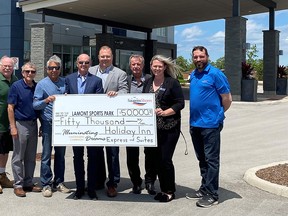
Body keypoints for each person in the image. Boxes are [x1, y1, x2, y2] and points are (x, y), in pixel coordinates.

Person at [186, 46, 232, 208]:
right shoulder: (194, 74)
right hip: (195, 124)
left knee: (212, 160)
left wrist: (218, 115)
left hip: (210, 125)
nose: (198, 59)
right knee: (202, 159)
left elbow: (227, 98)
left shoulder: (216, 74)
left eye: (201, 56)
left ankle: (212, 194)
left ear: (207, 56)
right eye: (195, 57)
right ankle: (204, 188)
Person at [142, 55, 185, 202]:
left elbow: (180, 103)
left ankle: (169, 191)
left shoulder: (172, 83)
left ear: (165, 67)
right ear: (151, 66)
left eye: (160, 66)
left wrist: (166, 112)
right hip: (152, 129)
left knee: (165, 160)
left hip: (169, 127)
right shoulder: (148, 82)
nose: (157, 68)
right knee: (155, 159)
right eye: (155, 66)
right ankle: (162, 188)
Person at [89, 45, 128, 197]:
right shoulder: (91, 71)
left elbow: (125, 91)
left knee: (112, 152)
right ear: (98, 57)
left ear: (112, 57)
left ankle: (113, 183)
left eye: (108, 56)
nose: (105, 59)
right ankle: (98, 181)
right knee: (95, 152)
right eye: (102, 56)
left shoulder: (120, 74)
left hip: (112, 120)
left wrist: (117, 93)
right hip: (94, 119)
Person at [65, 53, 103, 200]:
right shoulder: (69, 79)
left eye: (86, 63)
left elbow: (99, 102)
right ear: (76, 63)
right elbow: (65, 96)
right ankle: (80, 188)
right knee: (78, 157)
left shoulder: (97, 81)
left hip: (91, 126)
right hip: (76, 127)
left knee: (93, 157)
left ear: (90, 64)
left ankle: (91, 188)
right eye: (81, 62)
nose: (83, 65)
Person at [33, 55, 71, 197]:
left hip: (62, 124)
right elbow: (35, 104)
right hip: (48, 123)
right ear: (47, 69)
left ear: (60, 69)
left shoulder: (64, 82)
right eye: (51, 68)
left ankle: (59, 182)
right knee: (46, 155)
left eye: (56, 68)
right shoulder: (42, 84)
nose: (53, 70)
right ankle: (46, 184)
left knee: (60, 155)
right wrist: (46, 100)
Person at [7, 62, 42, 197]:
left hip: (33, 124)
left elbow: (38, 107)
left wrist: (40, 125)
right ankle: (18, 184)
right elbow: (10, 107)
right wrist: (13, 127)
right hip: (20, 124)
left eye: (32, 71)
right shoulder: (16, 86)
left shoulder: (36, 87)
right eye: (27, 71)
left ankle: (28, 182)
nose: (30, 74)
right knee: (18, 156)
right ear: (22, 73)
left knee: (30, 156)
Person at [126, 54, 151, 194]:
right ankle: (136, 182)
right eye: (133, 64)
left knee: (150, 153)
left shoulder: (149, 79)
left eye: (138, 64)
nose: (136, 67)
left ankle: (149, 181)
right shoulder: (126, 80)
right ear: (130, 66)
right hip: (131, 124)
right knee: (132, 155)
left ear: (142, 66)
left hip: (147, 124)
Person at [0, 56, 17, 194]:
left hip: (9, 123)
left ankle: (2, 176)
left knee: (4, 151)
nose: (7, 68)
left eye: (10, 66)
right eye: (5, 65)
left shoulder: (15, 80)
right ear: (0, 66)